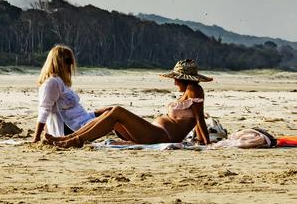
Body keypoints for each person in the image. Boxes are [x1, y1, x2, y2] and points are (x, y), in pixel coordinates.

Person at [45, 59, 212, 147]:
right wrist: (199, 139)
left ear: (183, 78)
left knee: (117, 110)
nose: (175, 83)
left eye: (176, 79)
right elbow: (195, 120)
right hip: (154, 133)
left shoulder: (194, 89)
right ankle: (70, 137)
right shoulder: (188, 91)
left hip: (162, 136)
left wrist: (206, 143)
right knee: (111, 115)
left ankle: (76, 140)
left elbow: (199, 118)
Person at [32, 45, 111, 143]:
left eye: (71, 61)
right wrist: (36, 138)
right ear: (57, 62)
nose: (71, 65)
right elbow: (44, 110)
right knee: (114, 116)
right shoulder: (52, 82)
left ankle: (131, 140)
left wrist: (96, 113)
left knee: (110, 111)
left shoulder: (62, 82)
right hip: (73, 129)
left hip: (82, 121)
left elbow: (74, 113)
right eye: (68, 61)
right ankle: (132, 140)